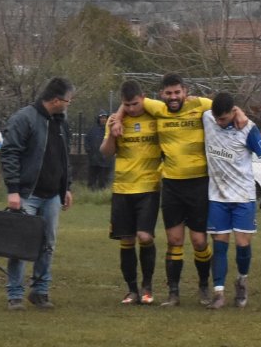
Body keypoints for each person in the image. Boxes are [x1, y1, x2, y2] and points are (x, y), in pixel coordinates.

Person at [110, 73, 247, 307]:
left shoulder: (201, 105)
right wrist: (118, 118)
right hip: (172, 185)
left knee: (199, 241)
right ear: (161, 94)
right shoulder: (158, 108)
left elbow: (225, 105)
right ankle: (173, 293)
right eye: (168, 93)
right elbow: (131, 102)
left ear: (185, 91)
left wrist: (240, 112)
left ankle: (204, 286)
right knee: (174, 239)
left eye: (177, 92)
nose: (173, 97)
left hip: (199, 183)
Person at [0, 77, 75, 311]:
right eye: (68, 101)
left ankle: (40, 292)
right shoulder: (24, 119)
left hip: (52, 194)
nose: (68, 105)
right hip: (27, 193)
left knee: (47, 244)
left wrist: (66, 187)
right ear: (55, 100)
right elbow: (10, 154)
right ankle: (15, 294)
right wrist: (13, 191)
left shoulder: (61, 123)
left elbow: (63, 158)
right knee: (19, 245)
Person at [201, 92, 261, 309]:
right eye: (216, 118)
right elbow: (191, 102)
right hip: (217, 196)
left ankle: (242, 280)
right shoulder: (207, 118)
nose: (218, 122)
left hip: (243, 196)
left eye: (222, 119)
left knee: (243, 244)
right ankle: (219, 293)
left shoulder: (248, 129)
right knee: (219, 244)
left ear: (233, 112)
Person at [99, 81, 161, 305]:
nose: (132, 108)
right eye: (127, 105)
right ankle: (132, 290)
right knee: (126, 239)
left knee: (144, 236)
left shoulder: (155, 116)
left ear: (143, 97)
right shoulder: (116, 120)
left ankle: (147, 286)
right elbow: (105, 152)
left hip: (149, 187)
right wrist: (113, 134)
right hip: (123, 188)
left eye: (135, 104)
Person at [84, 110, 112, 190]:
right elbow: (87, 139)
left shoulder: (110, 129)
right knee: (92, 176)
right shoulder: (93, 129)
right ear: (98, 119)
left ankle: (102, 191)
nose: (103, 119)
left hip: (105, 159)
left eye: (105, 118)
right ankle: (90, 190)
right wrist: (88, 149)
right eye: (101, 118)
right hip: (93, 158)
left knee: (103, 177)